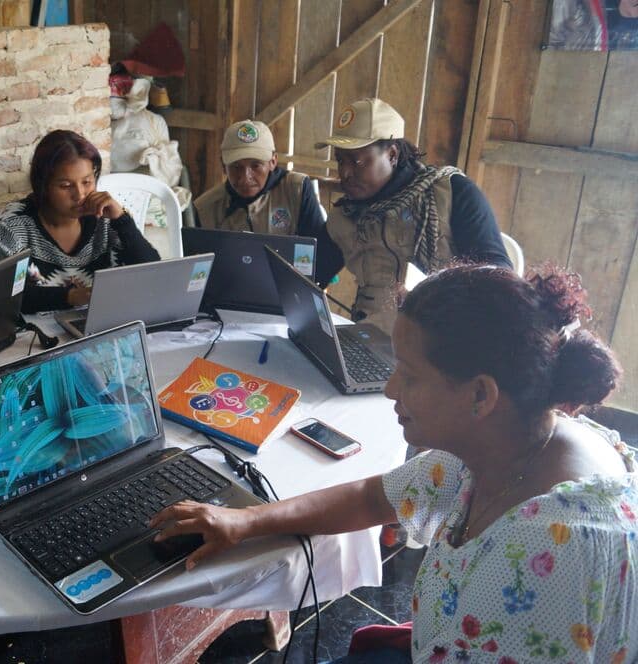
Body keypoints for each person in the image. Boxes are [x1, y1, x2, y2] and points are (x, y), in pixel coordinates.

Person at [152, 264, 636, 663]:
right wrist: (243, 520)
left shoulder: (545, 553)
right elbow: (371, 498)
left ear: (480, 394)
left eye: (409, 375)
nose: (389, 389)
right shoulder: (504, 443)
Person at [314, 98, 512, 332]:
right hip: (369, 337)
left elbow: (499, 276)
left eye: (356, 161)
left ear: (392, 155)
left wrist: (436, 294)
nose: (345, 172)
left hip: (440, 342)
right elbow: (312, 273)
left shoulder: (450, 193)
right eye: (340, 160)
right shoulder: (344, 218)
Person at [0, 129, 160, 314]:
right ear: (43, 185)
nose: (80, 195)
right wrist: (70, 297)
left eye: (87, 182)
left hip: (98, 322)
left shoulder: (105, 218)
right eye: (66, 186)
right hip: (34, 335)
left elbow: (153, 274)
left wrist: (122, 220)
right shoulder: (15, 225)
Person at [193, 119, 327, 241]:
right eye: (236, 167)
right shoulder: (206, 209)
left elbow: (318, 253)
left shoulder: (296, 190)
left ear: (273, 162)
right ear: (223, 166)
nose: (246, 177)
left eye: (256, 165)